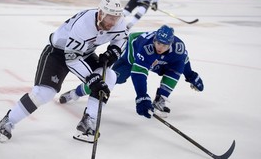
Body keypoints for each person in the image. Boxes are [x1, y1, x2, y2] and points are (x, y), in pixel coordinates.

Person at [0, 0, 128, 143]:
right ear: (100, 13)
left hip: (84, 53)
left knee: (109, 76)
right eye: (110, 18)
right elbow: (72, 59)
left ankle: (87, 124)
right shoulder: (83, 25)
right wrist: (91, 79)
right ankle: (7, 122)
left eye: (116, 17)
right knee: (44, 93)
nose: (113, 22)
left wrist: (114, 50)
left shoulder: (119, 22)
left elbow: (122, 38)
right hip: (58, 53)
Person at [59, 25, 204, 120]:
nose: (159, 47)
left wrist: (190, 74)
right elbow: (139, 74)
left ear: (171, 44)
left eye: (164, 45)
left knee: (172, 70)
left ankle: (160, 98)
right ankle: (76, 93)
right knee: (112, 79)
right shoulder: (146, 46)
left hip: (157, 61)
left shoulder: (178, 48)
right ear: (154, 39)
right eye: (158, 43)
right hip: (131, 56)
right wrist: (142, 97)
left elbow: (181, 63)